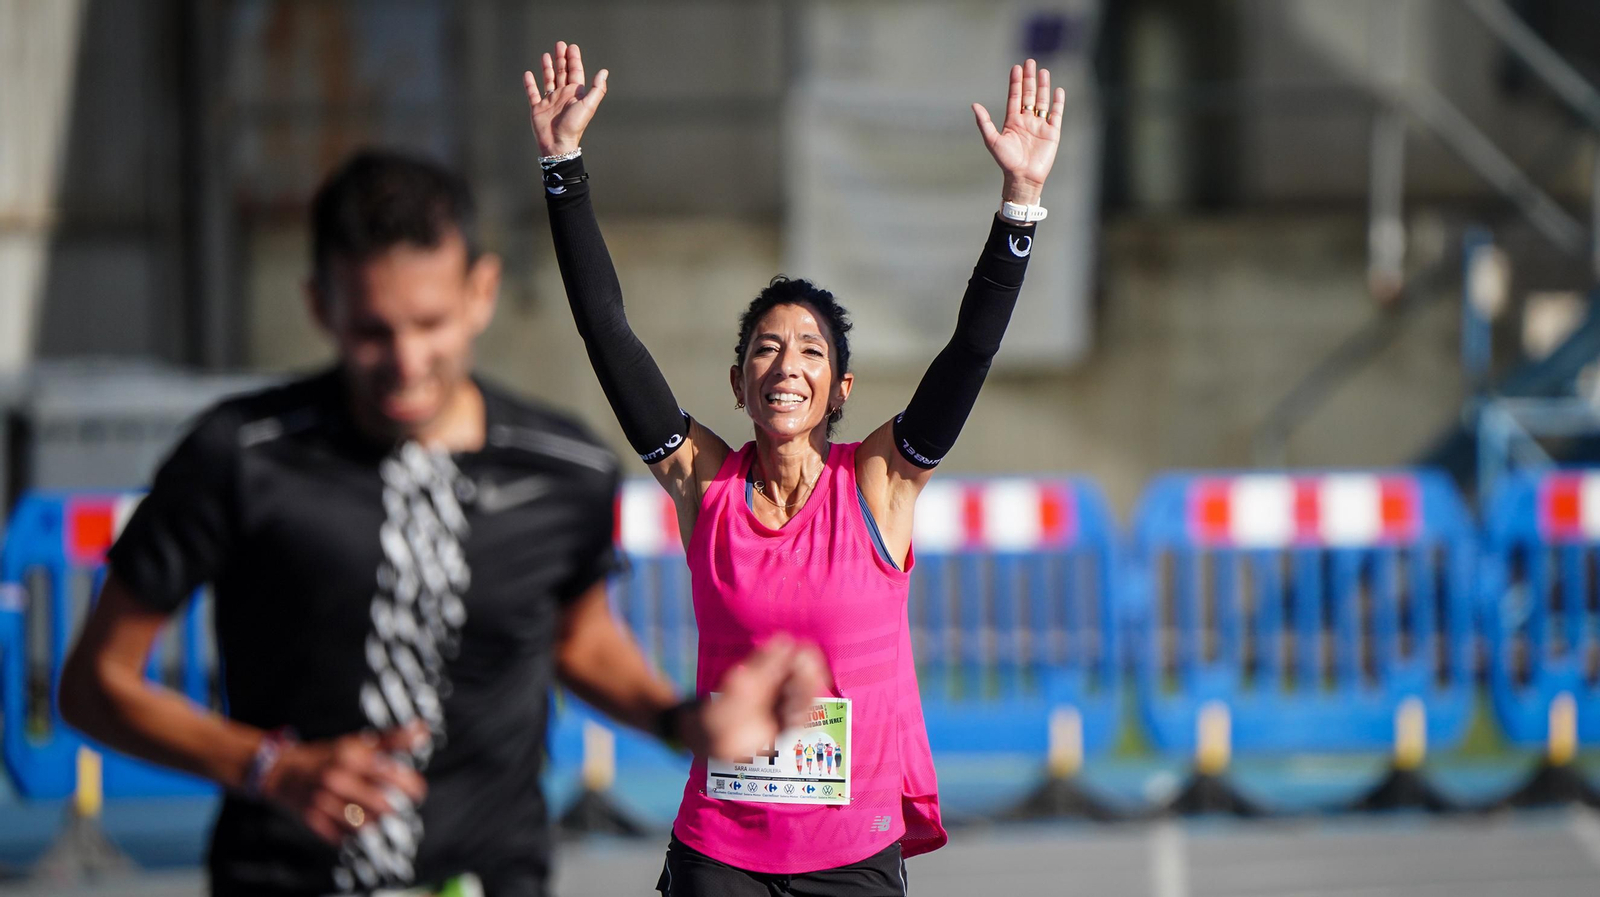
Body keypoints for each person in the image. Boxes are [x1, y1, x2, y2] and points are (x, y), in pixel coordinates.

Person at [58, 148, 825, 897]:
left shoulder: (562, 470)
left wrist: (683, 719)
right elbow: (94, 683)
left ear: (480, 293)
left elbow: (578, 639)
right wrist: (269, 765)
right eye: (372, 330)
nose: (406, 359)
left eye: (430, 323)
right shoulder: (240, 456)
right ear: (320, 303)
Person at [525, 39, 1064, 897]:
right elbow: (609, 334)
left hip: (850, 862)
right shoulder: (706, 485)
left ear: (838, 386)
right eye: (765, 350)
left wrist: (1021, 205)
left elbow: (969, 350)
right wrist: (562, 164)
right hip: (718, 857)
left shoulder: (881, 485)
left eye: (810, 350)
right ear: (739, 382)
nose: (787, 365)